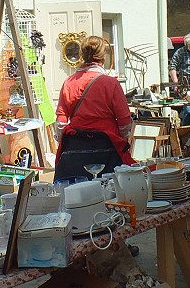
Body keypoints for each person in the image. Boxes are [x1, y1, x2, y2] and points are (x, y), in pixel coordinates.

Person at [54, 36, 133, 181]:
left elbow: (61, 123)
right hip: (107, 145)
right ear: (103, 57)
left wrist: (65, 143)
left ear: (82, 56)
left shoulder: (69, 83)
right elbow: (125, 122)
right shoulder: (110, 83)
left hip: (75, 148)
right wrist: (120, 140)